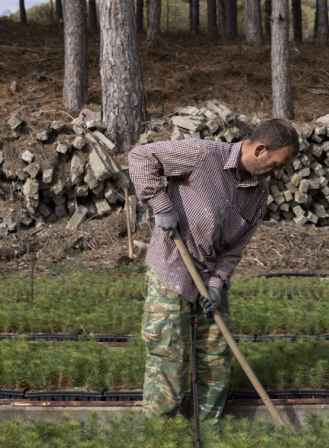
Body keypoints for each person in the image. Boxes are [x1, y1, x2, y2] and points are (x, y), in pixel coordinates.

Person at [127, 118, 299, 420]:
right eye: (276, 164)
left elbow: (234, 249)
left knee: (216, 356)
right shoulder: (203, 154)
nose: (277, 172)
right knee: (170, 356)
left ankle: (208, 427)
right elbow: (141, 156)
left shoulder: (258, 194)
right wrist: (160, 203)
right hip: (173, 270)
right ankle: (161, 433)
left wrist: (218, 284)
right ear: (260, 149)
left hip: (209, 279)